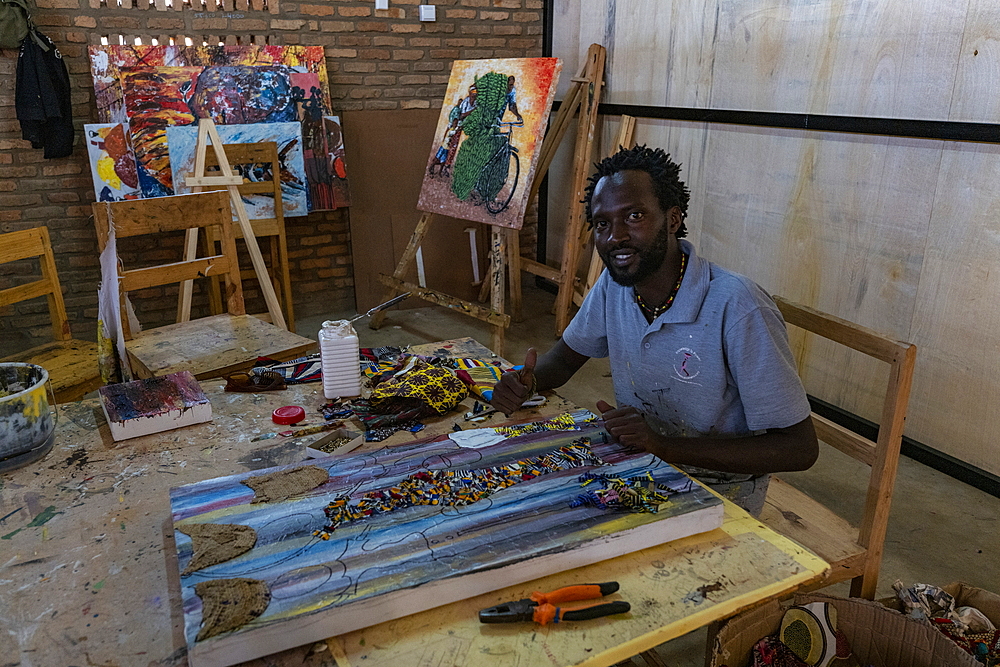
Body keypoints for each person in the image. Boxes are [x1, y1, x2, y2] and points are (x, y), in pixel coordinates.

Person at [489, 145, 818, 516]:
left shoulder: (737, 306)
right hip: (641, 464)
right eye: (602, 224)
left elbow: (799, 448)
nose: (615, 237)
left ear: (673, 218)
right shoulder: (616, 287)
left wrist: (661, 445)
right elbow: (564, 360)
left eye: (634, 216)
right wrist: (525, 382)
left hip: (721, 492)